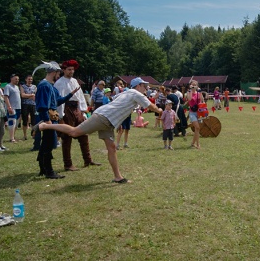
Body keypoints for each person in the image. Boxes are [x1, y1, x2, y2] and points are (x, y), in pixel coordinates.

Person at [32, 77, 163, 183]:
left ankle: (118, 177)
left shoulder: (128, 92)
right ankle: (44, 126)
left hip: (109, 122)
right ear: (138, 86)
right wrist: (159, 110)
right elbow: (150, 105)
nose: (146, 88)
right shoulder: (135, 93)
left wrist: (119, 122)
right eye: (144, 86)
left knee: (112, 148)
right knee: (74, 132)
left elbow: (118, 104)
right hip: (103, 117)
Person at [33, 61, 80, 179]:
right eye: (58, 72)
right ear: (54, 72)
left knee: (46, 144)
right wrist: (47, 121)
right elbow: (43, 106)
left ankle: (43, 169)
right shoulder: (44, 85)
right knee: (48, 145)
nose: (58, 75)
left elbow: (57, 101)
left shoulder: (51, 86)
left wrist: (70, 94)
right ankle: (48, 171)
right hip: (48, 119)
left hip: (51, 119)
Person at [54, 59, 101, 171]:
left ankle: (88, 160)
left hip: (76, 109)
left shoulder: (75, 81)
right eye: (69, 69)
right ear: (64, 70)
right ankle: (68, 164)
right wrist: (60, 116)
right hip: (66, 109)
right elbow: (59, 101)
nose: (71, 71)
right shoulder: (59, 83)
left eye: (73, 70)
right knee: (67, 137)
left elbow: (80, 96)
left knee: (83, 134)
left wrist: (83, 111)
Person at [185, 80, 204, 149]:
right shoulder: (188, 92)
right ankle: (198, 144)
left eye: (195, 85)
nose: (193, 86)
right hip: (192, 112)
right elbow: (189, 99)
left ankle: (193, 143)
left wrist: (200, 91)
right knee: (197, 127)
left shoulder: (198, 93)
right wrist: (190, 90)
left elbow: (202, 99)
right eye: (192, 85)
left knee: (197, 129)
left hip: (199, 112)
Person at [3, 74, 21, 142]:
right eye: (16, 79)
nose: (17, 80)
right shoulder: (8, 86)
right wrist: (9, 106)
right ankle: (11, 138)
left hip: (18, 107)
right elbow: (6, 97)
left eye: (18, 79)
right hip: (12, 107)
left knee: (16, 123)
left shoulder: (16, 87)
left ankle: (13, 136)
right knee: (12, 122)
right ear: (11, 79)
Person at [20, 74, 36, 140]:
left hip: (33, 104)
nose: (30, 80)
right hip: (25, 104)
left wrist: (28, 95)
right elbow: (23, 95)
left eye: (31, 79)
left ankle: (33, 134)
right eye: (29, 79)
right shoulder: (22, 86)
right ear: (26, 79)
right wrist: (31, 95)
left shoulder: (34, 86)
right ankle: (25, 135)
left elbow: (35, 96)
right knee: (25, 120)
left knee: (33, 121)